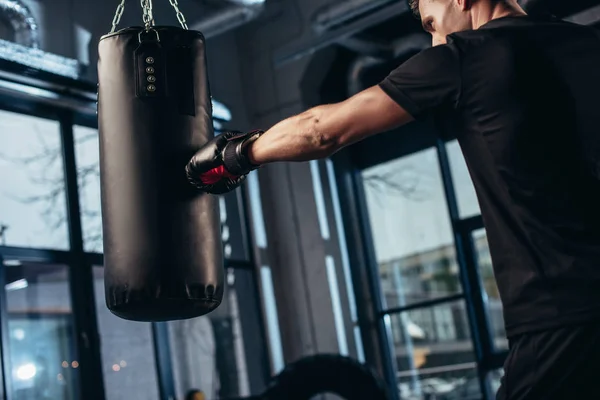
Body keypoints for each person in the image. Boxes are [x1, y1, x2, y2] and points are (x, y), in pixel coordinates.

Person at [186, 0, 600, 398]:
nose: (435, 44)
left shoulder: (465, 55)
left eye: (432, 25)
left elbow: (321, 131)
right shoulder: (587, 45)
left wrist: (236, 155)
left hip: (561, 319)